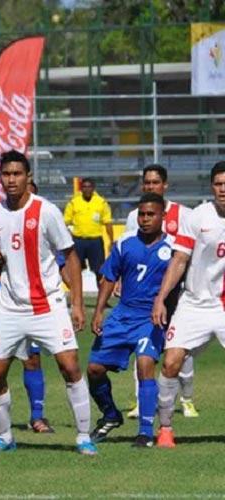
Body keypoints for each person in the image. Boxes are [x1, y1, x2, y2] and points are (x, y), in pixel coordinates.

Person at [0, 150, 96, 456]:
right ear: (0, 178)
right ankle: (4, 437)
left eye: (17, 174)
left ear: (28, 177)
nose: (11, 179)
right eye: (6, 174)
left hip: (48, 305)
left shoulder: (47, 211)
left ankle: (83, 436)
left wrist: (77, 304)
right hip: (10, 307)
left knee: (69, 366)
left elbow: (70, 256)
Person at [0, 180, 57, 435]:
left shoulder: (44, 222)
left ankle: (37, 416)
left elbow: (59, 260)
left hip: (33, 301)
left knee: (32, 358)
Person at [86, 193, 175, 448]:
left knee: (145, 364)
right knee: (94, 370)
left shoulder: (173, 248)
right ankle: (111, 414)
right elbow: (109, 277)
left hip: (151, 318)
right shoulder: (125, 243)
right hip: (122, 314)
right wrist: (100, 310)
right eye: (142, 214)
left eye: (151, 214)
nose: (145, 219)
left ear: (162, 216)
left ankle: (145, 432)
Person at [151, 161, 225, 448]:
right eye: (218, 184)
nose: (223, 189)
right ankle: (166, 429)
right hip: (193, 304)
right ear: (211, 187)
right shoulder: (197, 217)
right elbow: (179, 260)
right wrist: (161, 298)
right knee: (170, 363)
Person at [124, 165, 197, 420]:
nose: (151, 187)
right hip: (146, 292)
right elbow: (128, 250)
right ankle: (140, 401)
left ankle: (186, 399)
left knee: (179, 347)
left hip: (179, 292)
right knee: (142, 344)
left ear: (165, 185)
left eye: (155, 183)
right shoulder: (135, 216)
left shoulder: (184, 214)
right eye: (147, 183)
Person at [63, 178, 113, 284]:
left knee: (99, 271)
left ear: (93, 188)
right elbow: (65, 222)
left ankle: (102, 299)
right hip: (78, 241)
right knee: (75, 270)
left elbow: (108, 222)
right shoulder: (74, 202)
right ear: (81, 189)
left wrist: (111, 240)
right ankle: (76, 298)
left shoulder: (101, 202)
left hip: (95, 241)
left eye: (89, 187)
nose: (86, 189)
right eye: (84, 187)